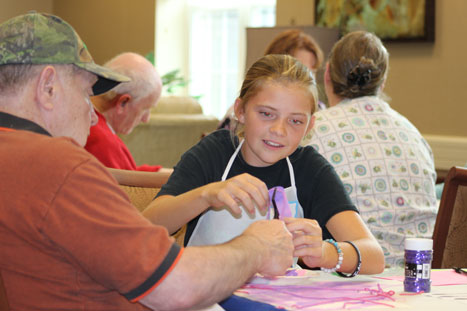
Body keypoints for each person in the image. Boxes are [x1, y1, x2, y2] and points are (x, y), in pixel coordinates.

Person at [0, 12, 295, 310]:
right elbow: (178, 286)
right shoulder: (58, 166)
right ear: (48, 87)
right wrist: (257, 247)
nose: (93, 116)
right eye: (87, 93)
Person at [144, 54, 385, 276]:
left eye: (295, 121)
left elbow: (374, 256)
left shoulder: (310, 169)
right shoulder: (214, 153)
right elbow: (146, 226)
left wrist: (324, 252)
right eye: (266, 114)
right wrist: (206, 195)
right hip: (206, 295)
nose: (279, 130)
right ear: (240, 111)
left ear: (309, 127)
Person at [304, 31, 438, 267]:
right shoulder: (413, 134)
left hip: (354, 275)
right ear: (382, 81)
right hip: (423, 276)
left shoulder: (312, 131)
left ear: (327, 75)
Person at [218, 29, 326, 130]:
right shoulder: (237, 115)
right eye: (266, 114)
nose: (307, 79)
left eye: (312, 72)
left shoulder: (321, 111)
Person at [84, 52, 172, 175]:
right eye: (145, 109)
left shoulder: (89, 121)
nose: (146, 119)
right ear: (123, 102)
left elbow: (127, 172)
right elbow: (129, 189)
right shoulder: (102, 141)